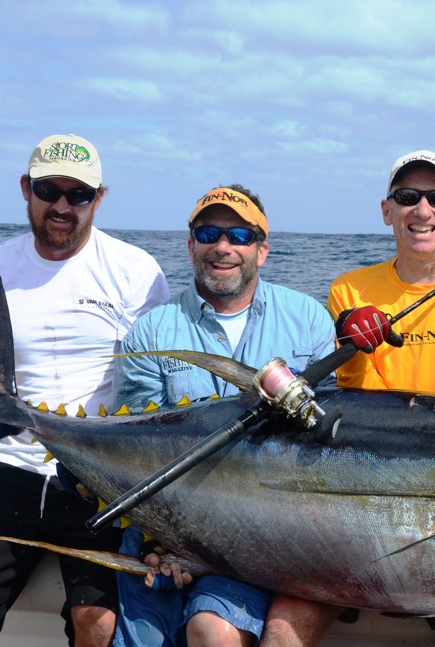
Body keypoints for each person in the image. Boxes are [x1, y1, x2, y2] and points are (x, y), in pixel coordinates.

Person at [260, 150, 435, 647]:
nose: (421, 210)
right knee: (280, 633)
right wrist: (344, 332)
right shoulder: (350, 289)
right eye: (407, 198)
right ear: (387, 211)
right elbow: (342, 390)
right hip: (366, 495)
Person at [0, 134, 171, 647]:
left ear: (99, 199)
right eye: (47, 188)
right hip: (16, 470)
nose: (60, 205)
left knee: (98, 625)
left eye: (77, 194)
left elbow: (155, 387)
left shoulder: (136, 272)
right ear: (25, 189)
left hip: (102, 477)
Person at [111, 184, 336, 647]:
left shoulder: (308, 319)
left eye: (240, 234)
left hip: (260, 531)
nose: (223, 247)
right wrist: (163, 539)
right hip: (164, 524)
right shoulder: (153, 332)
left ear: (262, 249)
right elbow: (135, 447)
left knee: (213, 630)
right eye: (208, 232)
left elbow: (322, 444)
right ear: (191, 244)